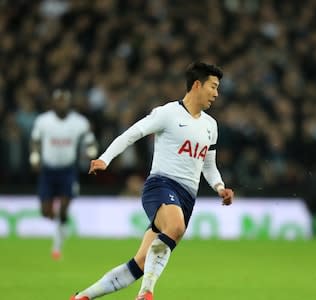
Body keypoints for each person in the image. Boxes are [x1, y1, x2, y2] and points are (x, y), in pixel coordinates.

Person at [70, 62, 234, 300]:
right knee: (175, 228)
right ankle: (146, 294)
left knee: (140, 263)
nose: (216, 94)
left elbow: (208, 165)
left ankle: (81, 297)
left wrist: (220, 187)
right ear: (197, 85)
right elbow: (132, 133)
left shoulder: (211, 125)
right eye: (213, 87)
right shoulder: (168, 113)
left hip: (187, 197)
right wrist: (105, 159)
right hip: (161, 185)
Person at [30, 89, 98, 260]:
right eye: (58, 101)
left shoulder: (79, 122)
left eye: (64, 101)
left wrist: (91, 152)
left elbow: (89, 141)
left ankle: (57, 246)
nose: (61, 104)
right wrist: (35, 156)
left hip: (68, 170)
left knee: (64, 208)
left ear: (68, 102)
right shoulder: (43, 121)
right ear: (53, 102)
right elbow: (35, 141)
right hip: (48, 170)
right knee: (46, 212)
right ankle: (62, 226)